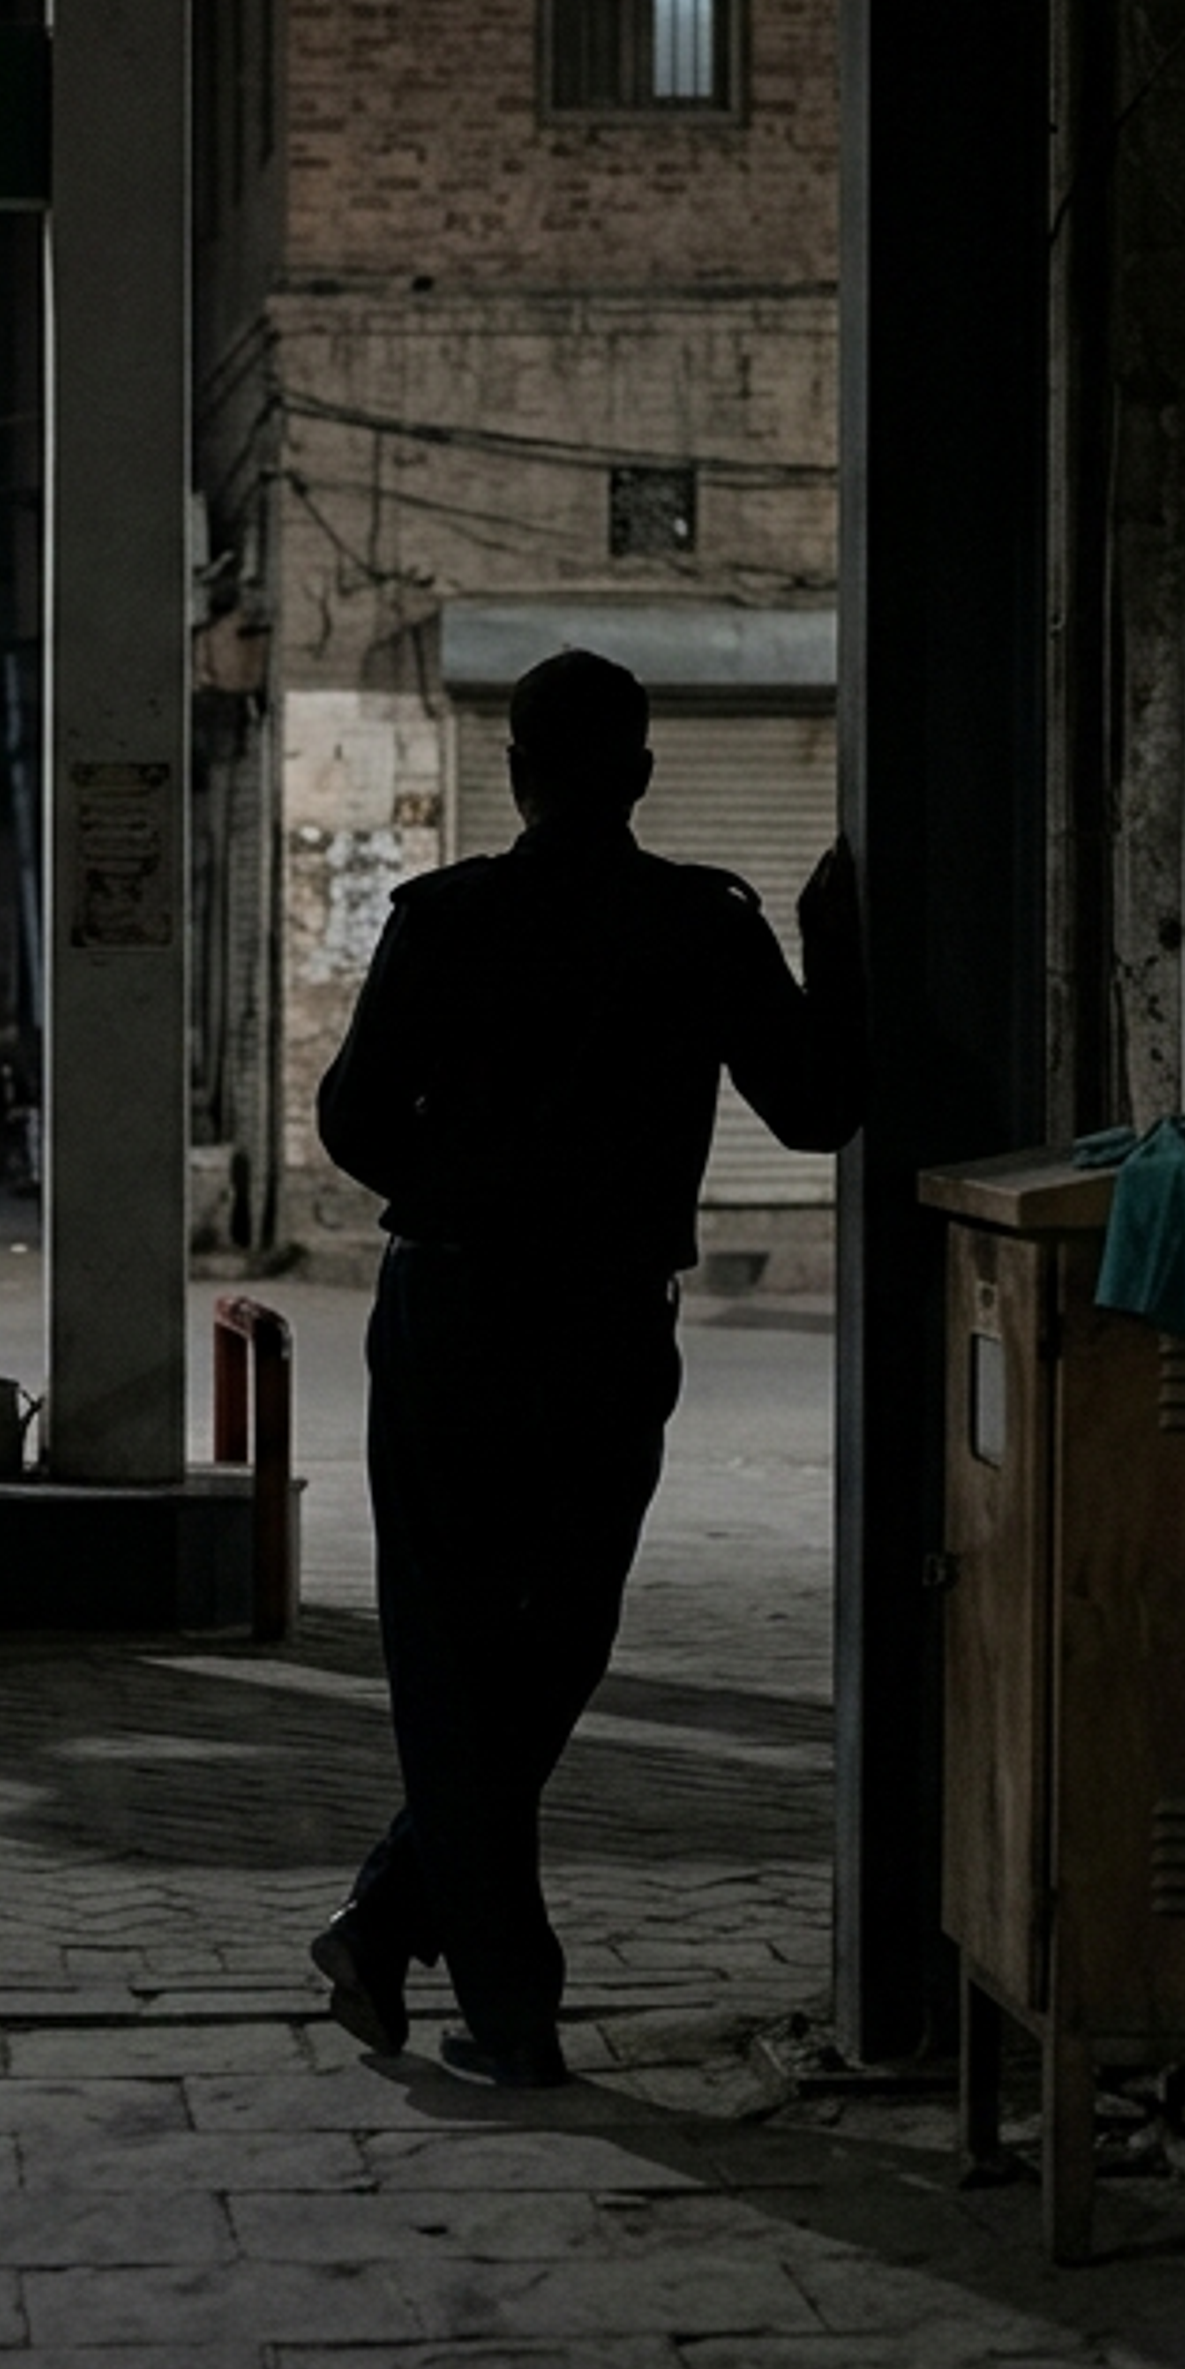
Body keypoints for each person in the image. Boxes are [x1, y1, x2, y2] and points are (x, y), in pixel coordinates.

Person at [309, 647, 865, 2087]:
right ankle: (486, 1987)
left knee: (451, 1650)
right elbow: (817, 1111)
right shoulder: (701, 925)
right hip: (607, 1324)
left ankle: (427, 1944)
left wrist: (472, 1189)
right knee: (559, 1637)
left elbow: (354, 1120)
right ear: (641, 774)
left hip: (452, 1313)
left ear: (516, 774)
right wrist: (837, 947)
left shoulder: (444, 919)